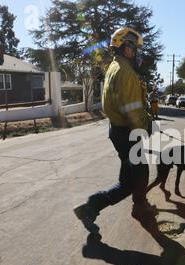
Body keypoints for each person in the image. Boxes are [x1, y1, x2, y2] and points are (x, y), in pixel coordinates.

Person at [74, 27, 156, 232]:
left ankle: (95, 207)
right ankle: (133, 207)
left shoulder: (113, 67)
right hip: (129, 132)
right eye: (135, 48)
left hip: (118, 130)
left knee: (128, 180)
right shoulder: (126, 72)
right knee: (139, 174)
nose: (137, 52)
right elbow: (132, 109)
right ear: (125, 47)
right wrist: (145, 127)